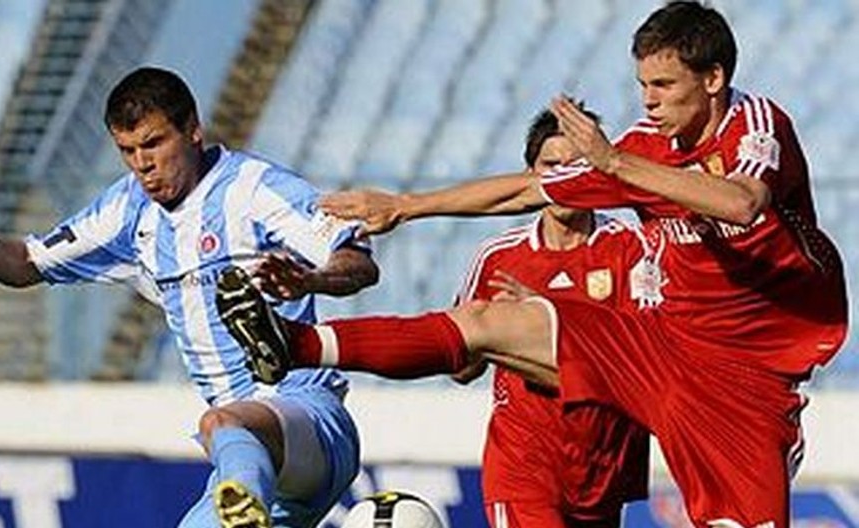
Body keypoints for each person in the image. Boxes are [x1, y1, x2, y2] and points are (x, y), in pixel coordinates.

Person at [217, 3, 848, 526]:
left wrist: (616, 165)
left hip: (745, 383)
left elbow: (743, 203)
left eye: (664, 86)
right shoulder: (638, 147)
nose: (648, 101)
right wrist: (407, 206)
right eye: (642, 86)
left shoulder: (752, 122)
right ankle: (295, 343)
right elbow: (528, 189)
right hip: (661, 347)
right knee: (492, 321)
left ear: (712, 80)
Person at [0, 66, 379, 528]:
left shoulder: (255, 191)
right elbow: (23, 264)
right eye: (127, 150)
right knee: (223, 445)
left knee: (224, 423)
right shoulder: (127, 211)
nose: (142, 164)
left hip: (308, 423)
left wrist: (309, 280)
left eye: (154, 144)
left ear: (193, 130)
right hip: (242, 465)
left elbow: (358, 262)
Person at [461, 108, 648, 527]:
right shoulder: (498, 258)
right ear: (531, 173)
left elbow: (642, 363)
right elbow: (462, 368)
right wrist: (496, 332)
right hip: (523, 465)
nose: (564, 179)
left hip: (603, 470)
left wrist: (548, 320)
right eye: (551, 166)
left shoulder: (631, 250)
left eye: (577, 166)